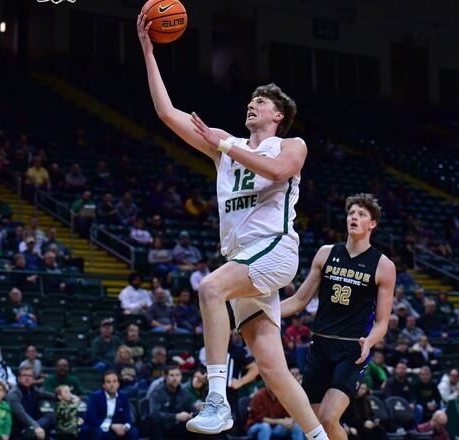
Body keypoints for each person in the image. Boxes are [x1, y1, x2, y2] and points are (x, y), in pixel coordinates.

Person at [140, 13, 325, 436]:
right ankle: (319, 437)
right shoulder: (228, 145)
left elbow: (277, 172)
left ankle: (217, 401)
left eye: (262, 102)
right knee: (273, 368)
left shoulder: (291, 144)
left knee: (209, 288)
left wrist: (222, 143)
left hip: (275, 250)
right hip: (243, 258)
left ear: (278, 116)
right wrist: (149, 52)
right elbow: (168, 113)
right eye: (251, 99)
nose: (252, 103)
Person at [280, 194, 395, 439]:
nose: (354, 217)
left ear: (372, 224)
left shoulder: (383, 266)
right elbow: (300, 301)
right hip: (320, 345)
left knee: (329, 418)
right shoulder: (325, 254)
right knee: (311, 425)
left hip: (352, 349)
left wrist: (370, 341)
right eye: (351, 213)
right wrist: (266, 311)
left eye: (361, 214)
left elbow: (382, 322)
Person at [81, 370, 138, 440]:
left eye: (114, 381)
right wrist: (111, 426)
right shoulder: (95, 396)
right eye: (108, 382)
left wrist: (125, 427)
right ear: (103, 385)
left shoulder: (123, 396)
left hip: (116, 427)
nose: (112, 384)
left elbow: (127, 418)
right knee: (98, 432)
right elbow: (92, 419)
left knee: (133, 431)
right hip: (98, 426)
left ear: (118, 384)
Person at [7, 366, 55, 439]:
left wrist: (62, 396)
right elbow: (21, 415)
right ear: (19, 378)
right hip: (19, 429)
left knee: (50, 415)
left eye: (30, 376)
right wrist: (36, 426)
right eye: (24, 375)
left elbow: (44, 394)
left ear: (33, 379)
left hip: (33, 425)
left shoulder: (32, 390)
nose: (27, 378)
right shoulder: (14, 393)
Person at [147, 366, 194, 440]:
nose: (175, 378)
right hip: (161, 427)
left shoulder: (184, 393)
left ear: (181, 377)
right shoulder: (157, 392)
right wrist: (176, 416)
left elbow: (192, 410)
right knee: (157, 425)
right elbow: (155, 414)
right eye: (172, 375)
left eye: (178, 375)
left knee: (192, 426)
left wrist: (191, 415)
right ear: (165, 377)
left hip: (177, 427)